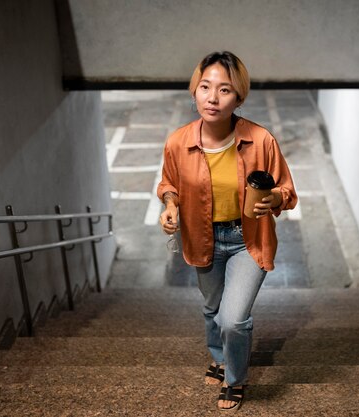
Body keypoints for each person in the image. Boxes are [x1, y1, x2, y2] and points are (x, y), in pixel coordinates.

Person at [157, 51, 297, 412]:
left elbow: (287, 191)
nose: (213, 98)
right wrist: (170, 205)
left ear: (239, 97)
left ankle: (235, 378)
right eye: (205, 87)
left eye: (224, 90)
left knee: (234, 319)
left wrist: (274, 200)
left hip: (246, 238)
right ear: (194, 91)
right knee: (211, 307)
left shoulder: (260, 140)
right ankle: (218, 358)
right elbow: (169, 183)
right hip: (202, 236)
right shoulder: (177, 142)